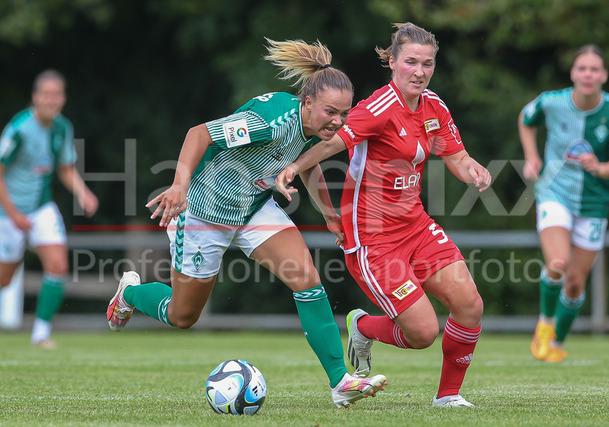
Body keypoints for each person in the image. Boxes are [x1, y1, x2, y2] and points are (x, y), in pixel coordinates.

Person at [106, 38, 387, 408]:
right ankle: (129, 294)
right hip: (203, 214)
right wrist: (179, 185)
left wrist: (329, 215)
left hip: (254, 209)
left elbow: (306, 165)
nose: (337, 121)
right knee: (183, 315)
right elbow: (199, 134)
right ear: (307, 102)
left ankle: (340, 382)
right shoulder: (269, 122)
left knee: (306, 279)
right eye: (330, 112)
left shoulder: (313, 130)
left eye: (344, 113)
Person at [276, 23, 491, 407]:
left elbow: (456, 156)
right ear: (392, 62)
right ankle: (362, 326)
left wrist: (473, 168)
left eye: (427, 64)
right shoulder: (378, 108)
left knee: (470, 305)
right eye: (411, 62)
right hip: (373, 239)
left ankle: (448, 396)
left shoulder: (434, 106)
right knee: (423, 333)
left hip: (417, 227)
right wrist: (294, 166)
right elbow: (332, 144)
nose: (420, 72)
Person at [519, 45, 609, 363]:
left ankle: (557, 342)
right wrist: (532, 157)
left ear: (604, 76)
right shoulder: (552, 102)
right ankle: (545, 324)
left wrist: (599, 167)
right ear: (572, 73)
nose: (588, 74)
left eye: (594, 69)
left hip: (595, 203)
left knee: (574, 283)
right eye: (582, 68)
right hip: (554, 192)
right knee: (558, 263)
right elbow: (526, 119)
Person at [0, 69, 99, 348]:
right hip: (8, 211)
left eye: (56, 95)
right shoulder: (19, 129)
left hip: (41, 207)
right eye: (46, 94)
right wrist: (14, 214)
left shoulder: (62, 127)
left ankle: (40, 334)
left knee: (58, 266)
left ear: (63, 98)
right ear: (35, 97)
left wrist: (83, 193)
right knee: (4, 279)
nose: (51, 100)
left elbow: (65, 168)